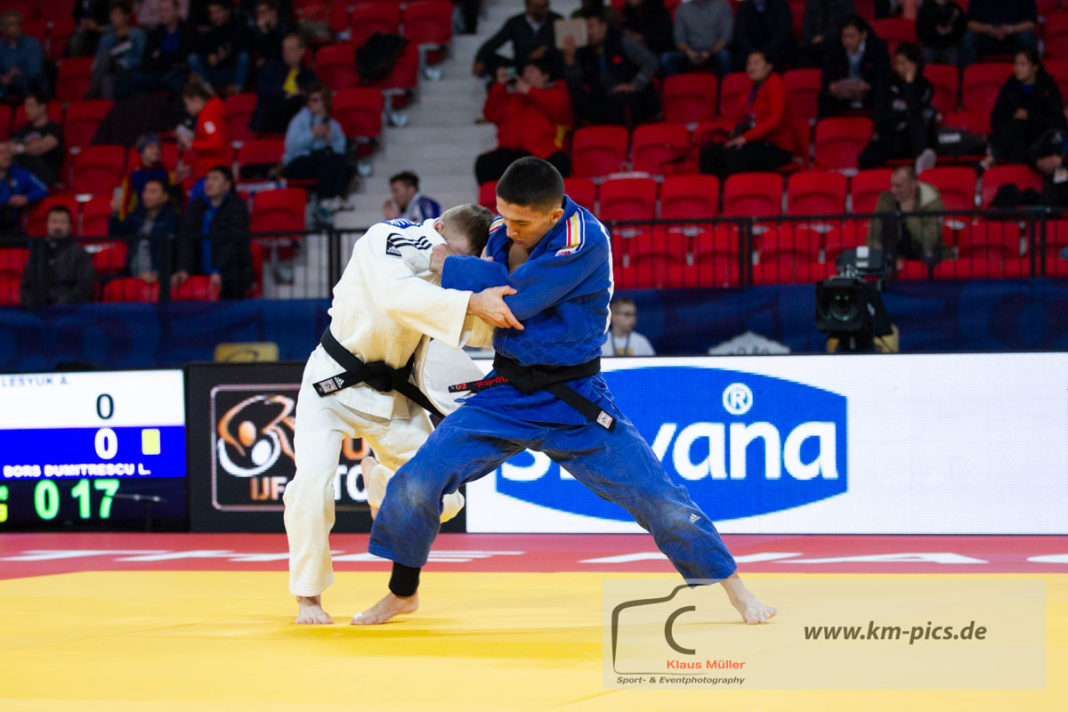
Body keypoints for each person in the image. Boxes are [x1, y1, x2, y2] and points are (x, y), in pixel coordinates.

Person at [352, 157, 776, 626]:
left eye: (520, 222)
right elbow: (494, 291)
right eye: (503, 216)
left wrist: (448, 264)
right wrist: (480, 274)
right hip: (507, 392)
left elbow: (516, 300)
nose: (507, 229)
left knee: (659, 499)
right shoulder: (506, 227)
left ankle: (737, 591)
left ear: (553, 215)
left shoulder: (585, 239)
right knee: (417, 480)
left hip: (575, 399)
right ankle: (402, 593)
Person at [282, 203, 519, 624]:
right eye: (450, 251)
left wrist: (488, 299)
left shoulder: (456, 274)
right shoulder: (387, 237)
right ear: (437, 226)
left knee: (445, 497)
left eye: (460, 259)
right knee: (310, 489)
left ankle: (382, 488)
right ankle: (308, 596)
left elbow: (479, 328)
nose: (448, 261)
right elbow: (396, 297)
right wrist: (468, 299)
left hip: (392, 397)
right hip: (331, 385)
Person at [475, 60, 573, 186]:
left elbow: (562, 111)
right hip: (510, 155)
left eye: (531, 71)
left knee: (559, 163)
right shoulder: (512, 99)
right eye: (524, 72)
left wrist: (531, 91)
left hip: (542, 155)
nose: (526, 75)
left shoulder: (554, 94)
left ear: (545, 76)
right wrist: (499, 84)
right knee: (484, 163)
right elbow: (490, 114)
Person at [699, 50, 794, 178]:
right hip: (754, 141)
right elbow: (746, 117)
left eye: (756, 63)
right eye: (748, 63)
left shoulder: (775, 83)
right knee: (709, 152)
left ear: (769, 67)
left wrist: (745, 138)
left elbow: (775, 120)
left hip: (775, 146)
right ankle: (717, 188)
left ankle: (740, 188)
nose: (751, 67)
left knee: (734, 151)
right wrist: (737, 133)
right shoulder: (751, 87)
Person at [562, 7, 659, 128]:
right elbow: (577, 86)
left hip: (629, 98)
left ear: (604, 26)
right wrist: (570, 61)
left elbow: (650, 61)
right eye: (584, 28)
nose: (588, 32)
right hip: (603, 99)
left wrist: (636, 84)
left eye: (591, 26)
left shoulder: (622, 42)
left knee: (622, 100)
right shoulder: (583, 52)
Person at [857, 43, 937, 172]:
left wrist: (909, 85)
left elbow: (915, 111)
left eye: (904, 63)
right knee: (866, 158)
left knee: (916, 120)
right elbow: (881, 112)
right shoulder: (887, 82)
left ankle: (921, 161)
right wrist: (901, 117)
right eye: (898, 64)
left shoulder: (925, 86)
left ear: (915, 64)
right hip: (890, 135)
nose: (900, 67)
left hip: (911, 138)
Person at [175, 165, 251, 299]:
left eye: (215, 179)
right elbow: (186, 240)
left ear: (227, 185)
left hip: (231, 275)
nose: (209, 182)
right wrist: (184, 268)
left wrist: (218, 270)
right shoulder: (194, 207)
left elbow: (233, 242)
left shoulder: (237, 207)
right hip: (198, 276)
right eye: (208, 178)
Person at [988, 50, 1065, 168]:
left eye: (1023, 64)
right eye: (1015, 64)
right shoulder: (1009, 88)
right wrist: (1014, 118)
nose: (1017, 68)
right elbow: (996, 121)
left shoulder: (1049, 89)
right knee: (1018, 133)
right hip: (1014, 139)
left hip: (1040, 139)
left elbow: (1058, 121)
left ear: (1035, 67)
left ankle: (992, 156)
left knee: (1020, 128)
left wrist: (1029, 117)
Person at [283, 84, 350, 216]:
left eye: (315, 100)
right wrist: (312, 134)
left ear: (325, 101)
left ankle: (337, 198)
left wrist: (329, 141)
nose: (311, 103)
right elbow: (290, 146)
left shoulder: (333, 125)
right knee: (324, 158)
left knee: (339, 159)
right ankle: (325, 199)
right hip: (297, 163)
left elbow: (340, 149)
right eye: (309, 100)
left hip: (321, 162)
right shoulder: (299, 120)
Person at [865, 166, 950, 265]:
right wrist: (887, 258)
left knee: (929, 257)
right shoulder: (885, 200)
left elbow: (929, 241)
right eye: (892, 185)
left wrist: (909, 215)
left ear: (913, 185)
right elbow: (872, 238)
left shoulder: (931, 202)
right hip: (895, 255)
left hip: (926, 256)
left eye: (899, 186)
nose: (893, 190)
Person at [20, 205, 97, 308]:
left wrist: (63, 302)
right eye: (54, 222)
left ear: (70, 226)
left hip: (68, 309)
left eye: (62, 222)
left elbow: (85, 286)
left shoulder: (80, 254)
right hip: (38, 309)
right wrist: (30, 302)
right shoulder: (38, 253)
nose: (57, 227)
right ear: (47, 224)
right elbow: (26, 285)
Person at [109, 177, 178, 283]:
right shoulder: (136, 216)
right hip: (133, 276)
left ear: (165, 197)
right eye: (145, 191)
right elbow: (115, 234)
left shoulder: (173, 219)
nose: (147, 195)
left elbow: (178, 250)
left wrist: (158, 274)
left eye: (153, 192)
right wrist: (115, 214)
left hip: (159, 279)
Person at [818, 15, 890, 118]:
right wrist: (832, 86)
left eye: (852, 36)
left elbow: (883, 77)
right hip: (842, 95)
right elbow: (827, 77)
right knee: (824, 98)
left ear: (863, 35)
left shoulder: (878, 48)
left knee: (882, 94)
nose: (847, 41)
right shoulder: (834, 48)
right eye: (844, 36)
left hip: (868, 93)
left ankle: (878, 127)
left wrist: (868, 86)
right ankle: (825, 126)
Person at [473, 0, 563, 80]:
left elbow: (564, 45)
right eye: (536, 7)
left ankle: (545, 81)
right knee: (489, 60)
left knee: (563, 60)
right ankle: (516, 80)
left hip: (548, 71)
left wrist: (546, 48)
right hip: (520, 70)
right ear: (527, 7)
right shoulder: (515, 23)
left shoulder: (557, 20)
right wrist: (480, 59)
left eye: (544, 6)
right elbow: (494, 42)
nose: (540, 10)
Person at [250, 32, 316, 134]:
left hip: (296, 117)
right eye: (284, 49)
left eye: (291, 49)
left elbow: (314, 92)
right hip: (271, 115)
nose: (286, 53)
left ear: (302, 51)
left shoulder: (308, 75)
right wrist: (286, 94)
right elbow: (262, 88)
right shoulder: (271, 68)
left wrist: (300, 94)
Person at [132, 0, 193, 97]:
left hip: (178, 74)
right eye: (160, 11)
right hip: (157, 74)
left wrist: (161, 55)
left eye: (166, 11)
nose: (162, 14)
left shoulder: (187, 30)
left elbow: (185, 56)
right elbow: (145, 61)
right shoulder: (156, 32)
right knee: (136, 79)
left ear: (176, 11)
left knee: (178, 84)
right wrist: (169, 56)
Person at [88, 1, 146, 100]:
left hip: (129, 72)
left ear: (126, 16)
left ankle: (92, 92)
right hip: (111, 72)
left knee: (107, 57)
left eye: (116, 15)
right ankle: (109, 108)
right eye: (111, 15)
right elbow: (98, 62)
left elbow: (142, 59)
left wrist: (124, 62)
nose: (112, 18)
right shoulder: (106, 39)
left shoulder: (138, 35)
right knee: (106, 80)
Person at [188, 0, 250, 94]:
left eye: (219, 11)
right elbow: (198, 50)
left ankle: (236, 90)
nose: (216, 16)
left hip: (231, 72)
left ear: (227, 11)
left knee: (244, 56)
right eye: (212, 13)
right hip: (214, 74)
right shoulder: (208, 32)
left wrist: (225, 56)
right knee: (193, 58)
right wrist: (208, 56)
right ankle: (207, 92)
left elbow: (244, 50)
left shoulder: (239, 28)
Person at [659, 0, 732, 77]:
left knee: (724, 56)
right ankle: (676, 84)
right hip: (689, 54)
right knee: (666, 58)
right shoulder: (682, 9)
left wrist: (709, 53)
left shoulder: (723, 6)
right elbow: (679, 39)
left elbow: (726, 36)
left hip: (714, 53)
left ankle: (724, 84)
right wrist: (689, 52)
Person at [176, 77, 228, 183]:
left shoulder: (207, 116)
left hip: (210, 174)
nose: (187, 109)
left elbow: (217, 144)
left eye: (187, 104)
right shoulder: (211, 112)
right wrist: (193, 167)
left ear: (196, 99)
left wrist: (191, 144)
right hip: (212, 171)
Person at [960, 0, 1038, 69]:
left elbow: (1030, 25)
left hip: (1013, 36)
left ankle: (1031, 76)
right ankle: (967, 77)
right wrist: (987, 29)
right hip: (986, 37)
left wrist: (1009, 29)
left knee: (1027, 37)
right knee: (969, 38)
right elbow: (970, 25)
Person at [10, 93, 64, 188]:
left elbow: (41, 148)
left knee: (26, 157)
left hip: (44, 175)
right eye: (25, 106)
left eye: (31, 106)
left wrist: (20, 149)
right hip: (21, 174)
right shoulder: (21, 131)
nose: (27, 110)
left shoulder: (54, 128)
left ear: (42, 107)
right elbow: (9, 149)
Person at [0, 140, 48, 237]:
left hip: (8, 224)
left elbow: (43, 189)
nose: (7, 156)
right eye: (1, 153)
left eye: (8, 152)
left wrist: (25, 198)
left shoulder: (19, 173)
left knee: (24, 240)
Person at [732, 0, 796, 72]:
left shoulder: (781, 5)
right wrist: (754, 52)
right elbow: (740, 35)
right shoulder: (743, 7)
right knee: (738, 58)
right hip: (749, 50)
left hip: (775, 48)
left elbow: (783, 33)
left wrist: (764, 52)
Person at [0, 10, 45, 100]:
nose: (16, 27)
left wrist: (16, 75)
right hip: (4, 87)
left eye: (18, 24)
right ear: (2, 28)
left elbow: (35, 72)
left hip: (27, 88)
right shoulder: (0, 45)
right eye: (11, 25)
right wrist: (3, 78)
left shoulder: (33, 44)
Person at [122, 135, 172, 214]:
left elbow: (172, 197)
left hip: (164, 215)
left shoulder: (167, 169)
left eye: (158, 147)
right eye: (151, 147)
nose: (156, 150)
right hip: (141, 214)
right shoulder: (133, 172)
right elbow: (125, 200)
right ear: (141, 152)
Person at [799, 0, 854, 69]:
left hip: (834, 40)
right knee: (802, 50)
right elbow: (806, 27)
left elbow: (846, 26)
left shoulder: (845, 3)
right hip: (813, 42)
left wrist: (823, 37)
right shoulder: (811, 2)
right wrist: (811, 38)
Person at [915, 0, 965, 68]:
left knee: (956, 59)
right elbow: (919, 32)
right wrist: (935, 31)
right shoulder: (925, 8)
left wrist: (951, 31)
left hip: (950, 44)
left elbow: (961, 29)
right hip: (930, 44)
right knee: (925, 59)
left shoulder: (955, 8)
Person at [247, 0, 287, 67]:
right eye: (258, 13)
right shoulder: (261, 28)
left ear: (273, 12)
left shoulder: (285, 27)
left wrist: (264, 31)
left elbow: (275, 52)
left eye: (263, 12)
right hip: (269, 63)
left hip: (283, 63)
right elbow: (258, 50)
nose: (259, 16)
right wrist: (262, 31)